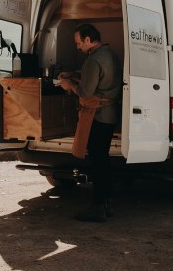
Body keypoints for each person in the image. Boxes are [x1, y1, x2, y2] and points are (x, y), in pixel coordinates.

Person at [57, 23, 122, 223]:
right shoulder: (109, 54)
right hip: (110, 114)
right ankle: (106, 202)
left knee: (97, 159)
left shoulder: (93, 60)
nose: (77, 47)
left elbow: (86, 92)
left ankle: (98, 206)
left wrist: (69, 84)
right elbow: (100, 80)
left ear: (88, 39)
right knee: (102, 158)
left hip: (98, 115)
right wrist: (76, 75)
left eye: (79, 43)